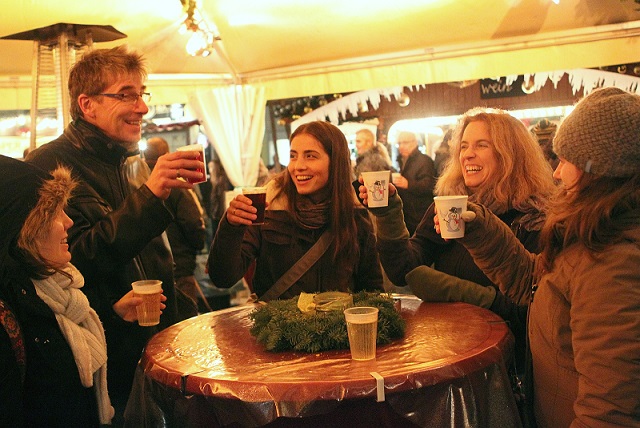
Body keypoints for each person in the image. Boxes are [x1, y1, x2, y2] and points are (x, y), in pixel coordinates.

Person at [435, 87, 640, 427]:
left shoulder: (615, 263)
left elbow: (610, 411)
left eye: (566, 160)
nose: (557, 172)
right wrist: (482, 229)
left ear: (596, 170)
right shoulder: (593, 234)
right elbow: (536, 283)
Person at [25, 45, 204, 424]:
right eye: (126, 94)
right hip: (107, 357)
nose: (141, 107)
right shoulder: (48, 167)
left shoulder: (129, 162)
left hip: (156, 343)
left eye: (142, 94)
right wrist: (151, 197)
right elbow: (74, 259)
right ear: (87, 105)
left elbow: (153, 254)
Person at [360, 107, 556, 384]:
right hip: (449, 361)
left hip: (507, 371)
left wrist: (464, 293)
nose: (467, 154)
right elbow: (403, 268)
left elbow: (535, 308)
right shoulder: (450, 205)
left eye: (481, 145)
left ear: (510, 154)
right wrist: (389, 213)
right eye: (463, 146)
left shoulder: (534, 218)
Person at [0, 156, 163, 427]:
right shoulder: (11, 314)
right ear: (24, 229)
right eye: (54, 213)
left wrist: (114, 317)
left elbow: (69, 359)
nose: (68, 222)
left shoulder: (54, 290)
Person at [207, 121, 383, 300]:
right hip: (274, 326)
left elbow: (371, 290)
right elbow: (223, 278)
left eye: (310, 156)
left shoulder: (354, 213)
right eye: (293, 156)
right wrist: (231, 226)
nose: (298, 166)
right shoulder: (269, 205)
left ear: (335, 162)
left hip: (337, 325)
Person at [144, 137, 209, 313]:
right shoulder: (174, 183)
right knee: (185, 324)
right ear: (166, 156)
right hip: (179, 267)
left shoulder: (139, 183)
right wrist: (199, 242)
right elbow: (192, 222)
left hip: (149, 272)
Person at [392, 131, 436, 235]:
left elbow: (430, 185)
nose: (401, 146)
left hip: (420, 215)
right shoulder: (403, 160)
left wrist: (408, 184)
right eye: (399, 143)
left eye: (405, 142)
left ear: (415, 142)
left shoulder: (424, 161)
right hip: (408, 214)